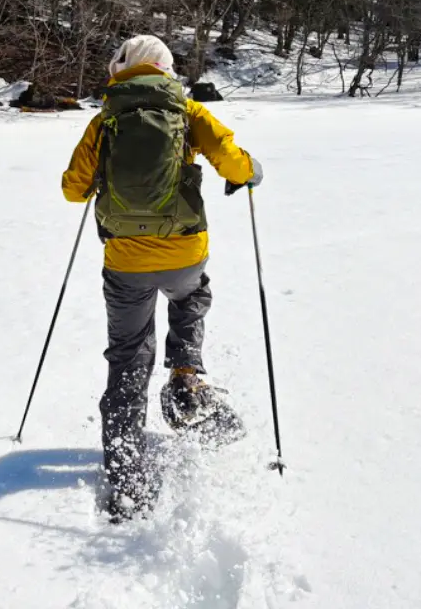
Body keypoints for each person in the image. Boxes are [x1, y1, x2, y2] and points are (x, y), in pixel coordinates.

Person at [60, 35, 262, 518]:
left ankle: (127, 474)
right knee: (190, 298)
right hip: (185, 249)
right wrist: (250, 171)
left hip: (126, 260)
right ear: (167, 69)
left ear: (122, 68)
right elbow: (232, 162)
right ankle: (187, 377)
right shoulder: (189, 112)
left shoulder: (105, 118)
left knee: (128, 355)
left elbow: (72, 190)